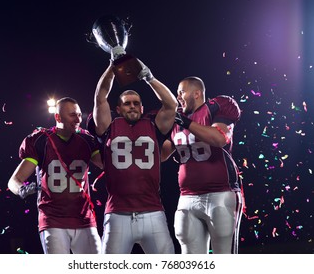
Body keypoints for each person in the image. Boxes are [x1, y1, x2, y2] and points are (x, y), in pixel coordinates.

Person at [89, 60, 177, 254]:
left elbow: (171, 105)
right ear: (118, 109)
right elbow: (100, 98)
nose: (132, 106)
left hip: (153, 212)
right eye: (127, 104)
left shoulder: (153, 125)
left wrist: (149, 78)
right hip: (117, 214)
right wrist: (113, 67)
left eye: (136, 103)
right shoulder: (109, 126)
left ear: (142, 108)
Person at [8, 97, 103, 254]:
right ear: (57, 117)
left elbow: (107, 165)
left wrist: (104, 136)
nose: (78, 119)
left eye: (79, 115)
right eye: (72, 115)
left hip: (84, 219)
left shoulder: (86, 140)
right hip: (53, 219)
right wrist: (21, 189)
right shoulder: (41, 140)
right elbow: (14, 180)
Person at [161, 76, 243, 254]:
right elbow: (161, 155)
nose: (178, 97)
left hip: (220, 193)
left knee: (224, 256)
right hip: (187, 197)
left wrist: (187, 123)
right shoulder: (179, 119)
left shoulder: (217, 107)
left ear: (197, 93)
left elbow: (219, 138)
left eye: (181, 92)